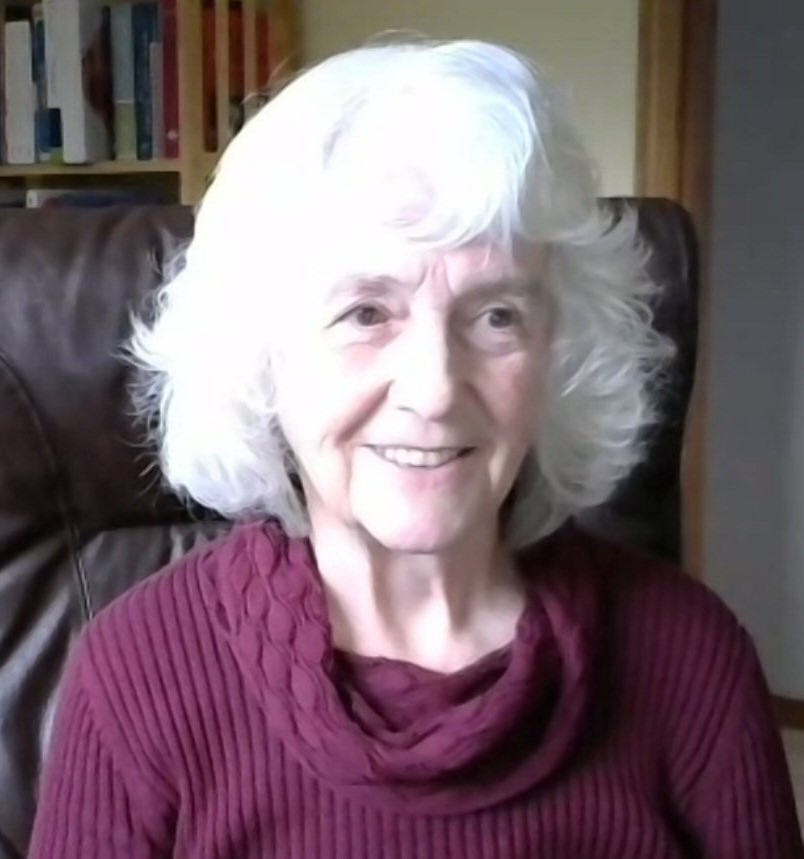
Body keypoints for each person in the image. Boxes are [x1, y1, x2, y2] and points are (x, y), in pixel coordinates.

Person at [28, 39, 803, 858]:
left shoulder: (694, 661)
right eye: (367, 312)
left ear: (557, 354)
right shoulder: (137, 677)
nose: (434, 388)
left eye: (497, 314)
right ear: (260, 357)